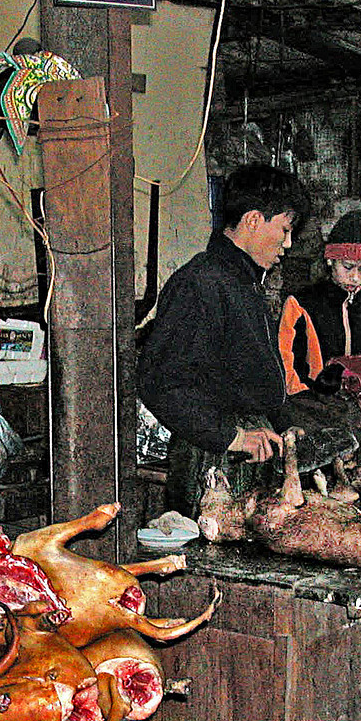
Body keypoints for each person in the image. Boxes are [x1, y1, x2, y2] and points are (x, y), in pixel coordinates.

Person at [139, 163, 312, 514]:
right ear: (252, 220)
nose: (288, 244)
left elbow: (253, 375)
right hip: (211, 465)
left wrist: (288, 425)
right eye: (284, 229)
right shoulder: (200, 283)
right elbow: (162, 383)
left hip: (249, 456)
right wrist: (233, 438)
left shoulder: (243, 283)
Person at [277, 208, 361, 397]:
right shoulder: (300, 305)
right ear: (330, 260)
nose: (355, 277)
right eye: (347, 267)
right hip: (312, 410)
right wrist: (319, 408)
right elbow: (287, 370)